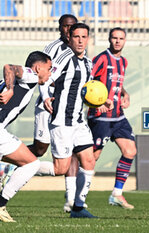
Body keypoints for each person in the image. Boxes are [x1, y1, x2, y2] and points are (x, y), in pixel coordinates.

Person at [39, 23, 108, 218]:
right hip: (61, 121)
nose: (80, 40)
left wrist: (101, 102)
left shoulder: (88, 63)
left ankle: (78, 207)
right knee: (60, 168)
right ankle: (15, 167)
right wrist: (45, 96)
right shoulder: (63, 59)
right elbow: (45, 79)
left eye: (83, 37)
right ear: (69, 38)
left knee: (89, 161)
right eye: (76, 36)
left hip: (78, 121)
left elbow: (85, 92)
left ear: (88, 39)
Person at [27, 14, 82, 213]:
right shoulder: (52, 48)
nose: (69, 30)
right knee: (40, 149)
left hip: (68, 110)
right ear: (60, 28)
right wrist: (46, 97)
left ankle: (72, 199)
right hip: (47, 106)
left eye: (72, 26)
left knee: (73, 150)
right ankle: (11, 162)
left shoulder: (79, 50)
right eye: (66, 26)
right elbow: (43, 75)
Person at [0, 51, 52, 222]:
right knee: (31, 164)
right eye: (49, 68)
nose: (50, 73)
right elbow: (9, 67)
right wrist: (9, 89)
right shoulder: (30, 76)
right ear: (38, 68)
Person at [88, 27, 136, 209]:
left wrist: (125, 93)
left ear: (125, 40)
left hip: (118, 116)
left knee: (130, 150)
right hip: (100, 116)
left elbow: (117, 83)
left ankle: (116, 194)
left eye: (121, 38)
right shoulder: (101, 59)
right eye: (114, 38)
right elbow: (87, 81)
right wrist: (94, 103)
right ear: (109, 39)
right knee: (92, 158)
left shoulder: (123, 61)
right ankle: (75, 197)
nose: (117, 41)